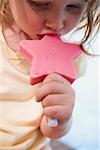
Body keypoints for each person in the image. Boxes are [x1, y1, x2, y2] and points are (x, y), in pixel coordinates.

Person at [0, 0, 99, 149]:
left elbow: (49, 130)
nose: (56, 24)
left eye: (73, 6)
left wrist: (61, 118)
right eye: (40, 4)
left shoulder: (70, 58)